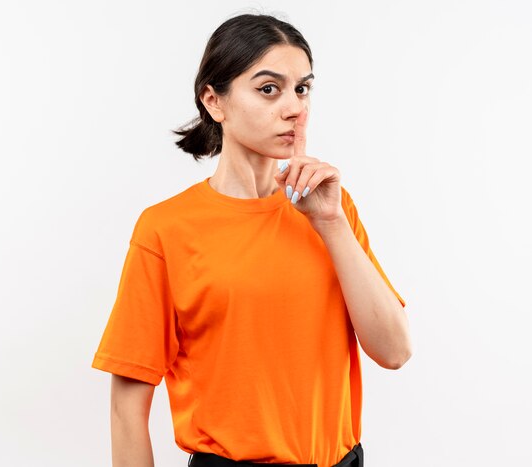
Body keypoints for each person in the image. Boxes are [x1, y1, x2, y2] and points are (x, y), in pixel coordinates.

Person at [91, 12, 412, 467]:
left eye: (302, 88)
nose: (294, 107)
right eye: (269, 89)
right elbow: (127, 406)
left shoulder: (333, 211)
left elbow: (395, 352)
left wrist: (331, 222)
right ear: (214, 101)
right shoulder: (167, 228)